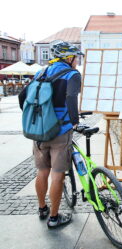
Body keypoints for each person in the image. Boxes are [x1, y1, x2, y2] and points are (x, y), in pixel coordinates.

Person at [33, 40, 83, 228]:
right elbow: (71, 98)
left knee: (42, 171)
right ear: (68, 57)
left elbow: (24, 98)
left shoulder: (40, 72)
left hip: (39, 131)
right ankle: (54, 218)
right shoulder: (72, 74)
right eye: (75, 57)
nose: (76, 61)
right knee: (58, 174)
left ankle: (42, 208)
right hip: (60, 132)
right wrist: (75, 121)